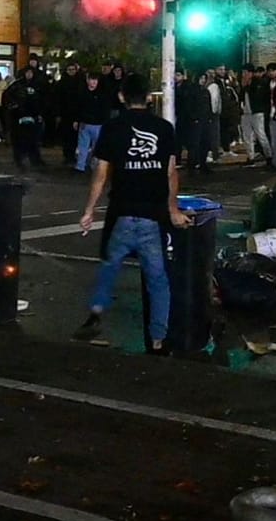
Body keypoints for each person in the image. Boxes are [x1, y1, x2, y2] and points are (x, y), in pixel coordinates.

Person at [73, 73, 191, 354]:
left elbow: (101, 174)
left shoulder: (113, 128)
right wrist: (172, 208)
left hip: (123, 213)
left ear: (122, 97)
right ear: (149, 98)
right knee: (158, 280)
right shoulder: (163, 128)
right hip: (152, 215)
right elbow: (170, 172)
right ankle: (159, 337)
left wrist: (89, 210)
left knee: (110, 265)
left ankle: (97, 311)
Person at [3, 65, 46, 168]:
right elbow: (7, 97)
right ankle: (19, 159)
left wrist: (40, 113)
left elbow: (42, 100)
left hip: (33, 115)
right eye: (27, 72)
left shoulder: (37, 85)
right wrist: (14, 107)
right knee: (19, 139)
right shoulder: (16, 85)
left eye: (31, 73)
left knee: (33, 139)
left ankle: (35, 159)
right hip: (19, 116)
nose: (29, 75)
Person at [74, 72, 109, 172]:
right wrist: (78, 120)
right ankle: (81, 165)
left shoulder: (101, 94)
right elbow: (78, 108)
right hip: (86, 123)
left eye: (95, 80)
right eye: (91, 80)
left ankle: (91, 165)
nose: (93, 82)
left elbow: (105, 110)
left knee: (95, 147)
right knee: (83, 146)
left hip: (97, 124)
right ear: (87, 80)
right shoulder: (83, 93)